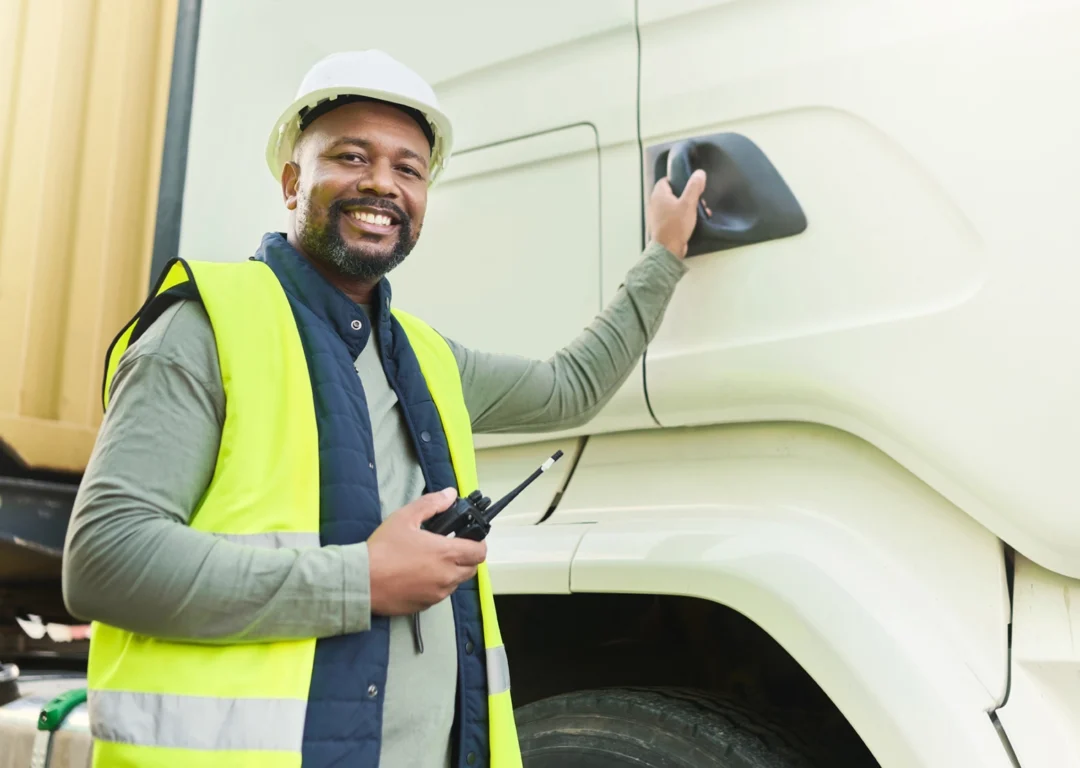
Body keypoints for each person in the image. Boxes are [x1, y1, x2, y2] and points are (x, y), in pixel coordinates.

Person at [62, 50, 706, 768]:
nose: (382, 183)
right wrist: (360, 582)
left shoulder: (427, 358)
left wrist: (665, 256)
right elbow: (104, 561)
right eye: (351, 156)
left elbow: (568, 388)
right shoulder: (206, 328)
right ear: (290, 181)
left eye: (409, 169)